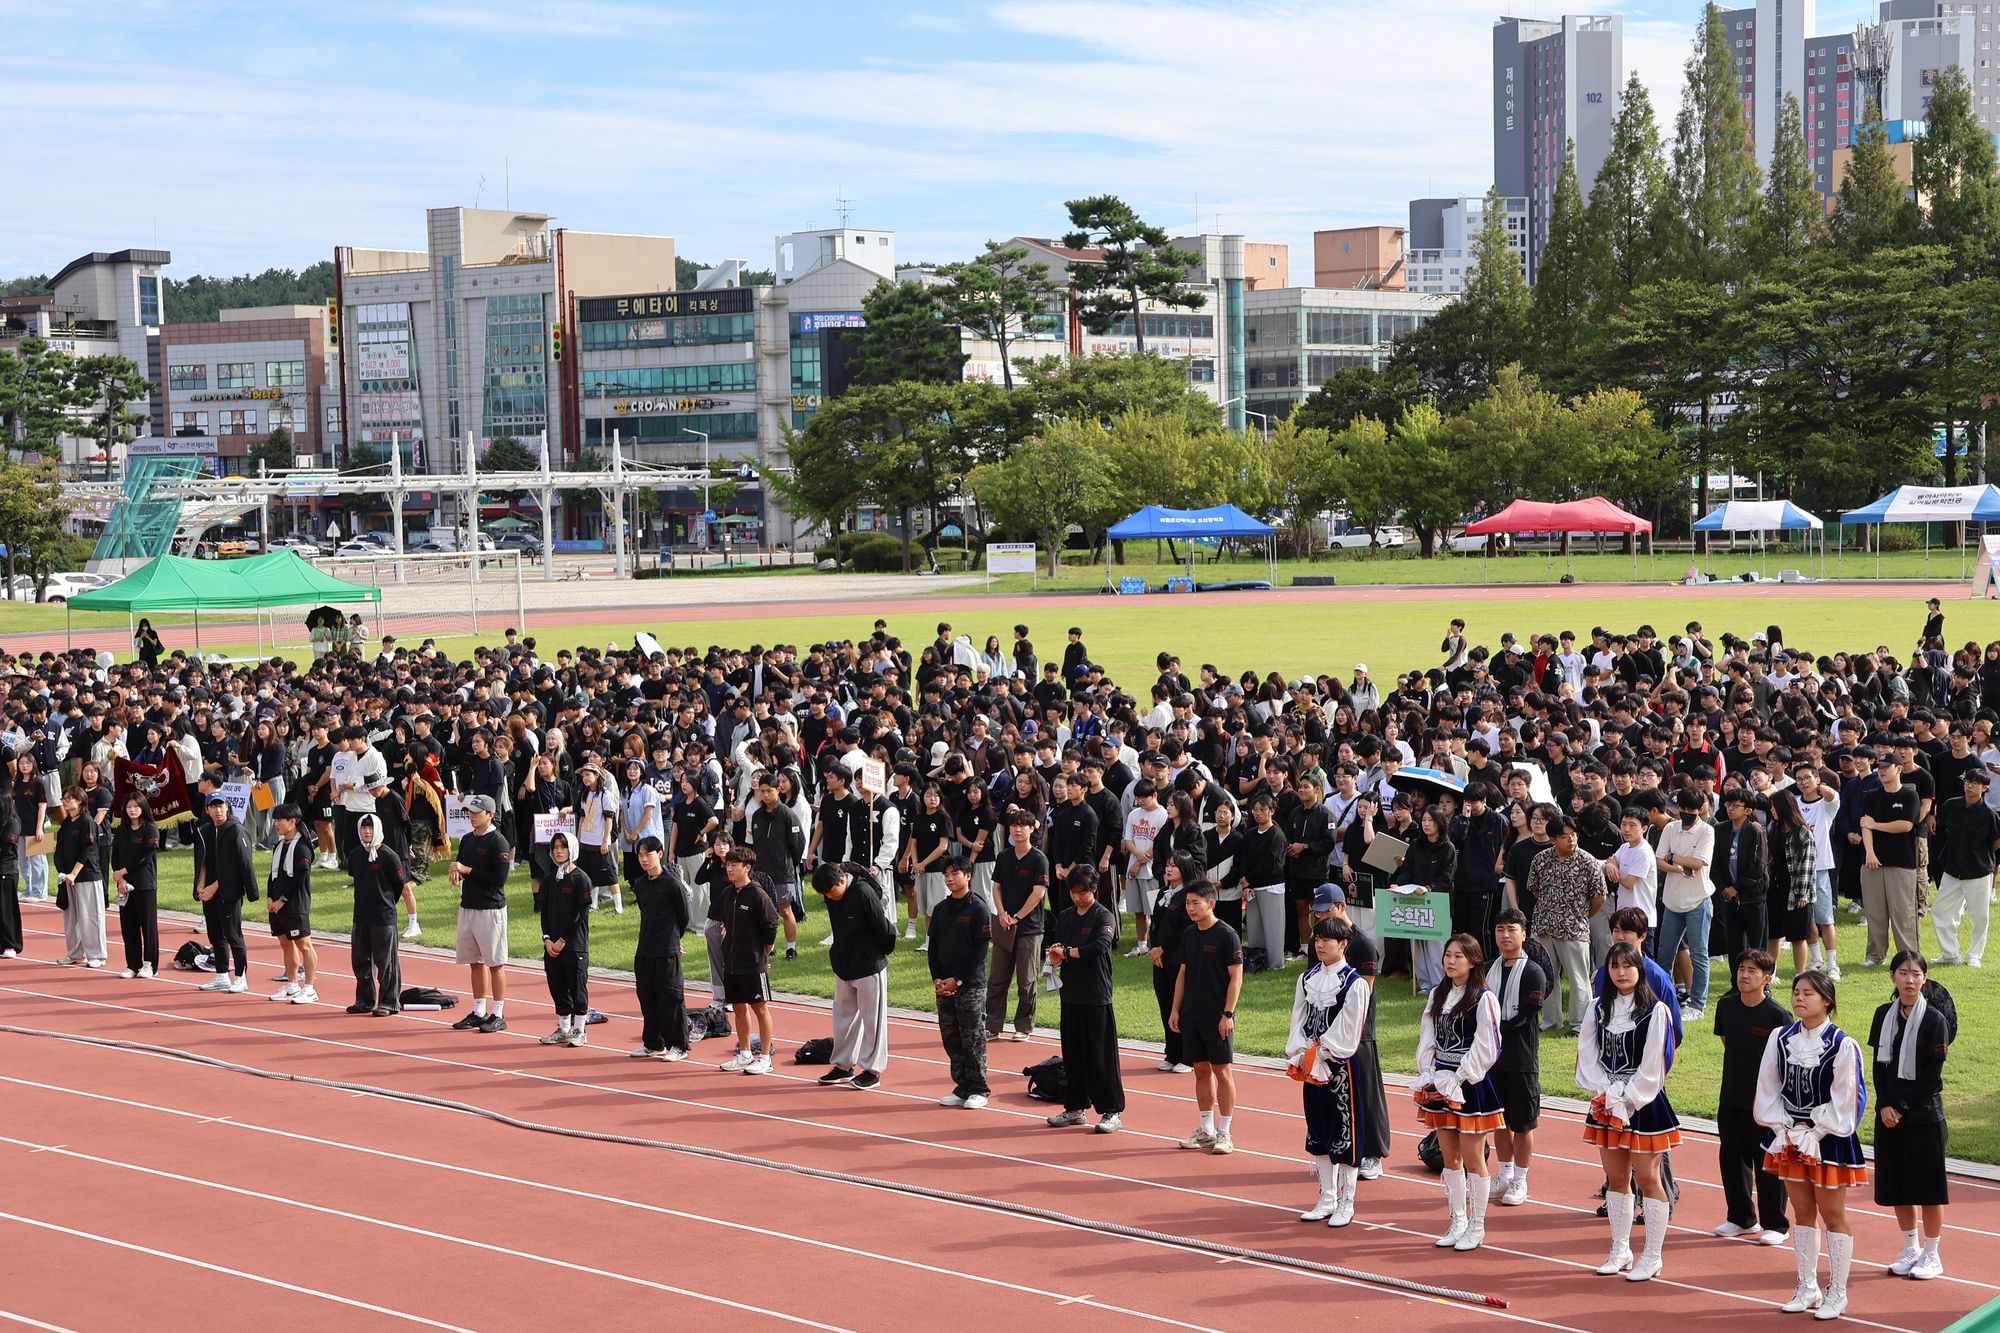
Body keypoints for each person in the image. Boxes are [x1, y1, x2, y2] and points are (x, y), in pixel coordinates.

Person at [1755, 969, 1868, 1319]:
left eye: (1808, 993)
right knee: (1802, 1212)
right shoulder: (1779, 1037)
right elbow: (1768, 1086)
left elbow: (1848, 1098)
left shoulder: (1842, 1045)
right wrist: (1782, 1128)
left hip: (1828, 1141)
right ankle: (1807, 1287)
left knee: (1833, 1214)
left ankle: (1838, 1292)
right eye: (1796, 992)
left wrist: (1816, 1133)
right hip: (1789, 1136)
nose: (1799, 998)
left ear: (1827, 1000)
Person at [1578, 940, 1682, 1282]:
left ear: (1640, 970)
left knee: (1649, 1178)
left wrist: (1628, 1098)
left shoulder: (1656, 1011)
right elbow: (1588, 1057)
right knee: (1617, 1178)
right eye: (1614, 966)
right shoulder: (1596, 1008)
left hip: (1643, 1105)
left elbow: (1655, 1064)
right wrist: (1606, 1093)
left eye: (1628, 966)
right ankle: (1620, 1249)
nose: (1621, 973)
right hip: (1607, 1103)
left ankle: (1652, 1254)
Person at [1414, 932, 1504, 1251]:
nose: (1450, 962)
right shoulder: (1439, 993)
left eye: (1458, 956)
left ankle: (1478, 1226)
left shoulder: (1483, 997)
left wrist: (1460, 1077)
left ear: (1474, 961)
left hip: (1471, 1086)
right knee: (1449, 1157)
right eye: (1448, 955)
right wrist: (1429, 1072)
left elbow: (1488, 1045)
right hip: (1441, 1082)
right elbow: (1428, 1036)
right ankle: (1458, 1221)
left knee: (1472, 1156)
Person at [1869, 952, 1952, 1282]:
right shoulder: (1882, 1015)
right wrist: (1884, 1105)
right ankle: (1911, 1249)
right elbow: (1878, 1066)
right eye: (1902, 973)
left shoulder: (1934, 1021)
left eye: (1915, 973)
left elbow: (1932, 1075)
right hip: (1889, 1113)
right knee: (1899, 1185)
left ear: (1924, 979)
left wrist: (1901, 1107)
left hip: (1923, 1115)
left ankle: (1932, 1253)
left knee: (1928, 1189)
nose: (1909, 979)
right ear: (1893, 977)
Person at [1289, 915, 1372, 1226]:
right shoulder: (1307, 978)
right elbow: (1299, 1017)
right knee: (1319, 1131)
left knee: (1345, 1135)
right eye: (1317, 938)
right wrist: (1300, 1052)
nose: (1320, 944)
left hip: (1340, 1067)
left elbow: (1349, 1030)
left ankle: (1347, 1202)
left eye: (1327, 939)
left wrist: (1321, 1051)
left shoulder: (1355, 983)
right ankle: (1326, 1198)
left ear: (1344, 944)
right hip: (1311, 1066)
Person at [1713, 948, 1792, 1245]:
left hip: (1767, 1103)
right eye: (1741, 969)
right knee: (1732, 1158)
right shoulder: (1726, 1006)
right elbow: (1727, 1042)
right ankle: (1741, 1218)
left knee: (1767, 1162)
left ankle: (1777, 1224)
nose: (1744, 975)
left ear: (1767, 978)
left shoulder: (1778, 1015)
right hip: (1731, 1096)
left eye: (1752, 971)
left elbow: (1786, 1061)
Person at [1045, 866, 1126, 1133]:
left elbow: (1099, 947)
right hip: (1071, 993)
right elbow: (1059, 945)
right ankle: (1075, 1107)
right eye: (1073, 892)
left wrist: (1066, 953)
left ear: (1094, 889)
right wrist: (1055, 954)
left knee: (1100, 1056)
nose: (1077, 897)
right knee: (1073, 1055)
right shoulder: (1066, 916)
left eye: (1082, 892)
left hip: (1096, 995)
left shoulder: (1104, 915)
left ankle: (1111, 1110)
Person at [1169, 879, 1244, 1154]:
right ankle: (1206, 1130)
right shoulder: (1189, 934)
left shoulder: (1227, 935)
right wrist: (1176, 1010)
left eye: (1195, 903)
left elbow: (1236, 977)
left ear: (1210, 903)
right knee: (1200, 1070)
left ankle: (1225, 1132)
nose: (1190, 908)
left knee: (1222, 1071)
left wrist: (1228, 1013)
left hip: (1217, 1017)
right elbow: (1183, 973)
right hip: (1192, 1015)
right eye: (1188, 903)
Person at [812, 858, 896, 1090]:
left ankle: (872, 1070)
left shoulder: (864, 893)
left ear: (842, 880)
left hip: (869, 965)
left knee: (873, 1020)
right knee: (843, 1017)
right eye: (824, 894)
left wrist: (876, 954)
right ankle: (843, 1065)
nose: (829, 897)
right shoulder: (831, 894)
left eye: (830, 891)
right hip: (843, 963)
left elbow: (883, 929)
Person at [1487, 906, 1546, 1207]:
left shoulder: (1533, 972)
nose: (1506, 935)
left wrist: (1492, 1031)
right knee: (1498, 1122)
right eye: (1500, 929)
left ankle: (1520, 1180)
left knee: (1522, 1124)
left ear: (1524, 934)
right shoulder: (1489, 968)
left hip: (1520, 1060)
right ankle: (1504, 1175)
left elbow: (1525, 1016)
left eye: (1512, 929)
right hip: (1491, 1061)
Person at [1526, 815, 1606, 1035]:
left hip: (1574, 929)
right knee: (1547, 977)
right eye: (1564, 836)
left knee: (1578, 977)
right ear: (1553, 839)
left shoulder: (1587, 861)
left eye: (1574, 835)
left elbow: (1599, 896)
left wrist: (1581, 915)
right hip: (1544, 927)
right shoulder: (1541, 859)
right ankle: (1551, 1021)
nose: (1571, 840)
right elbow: (1535, 888)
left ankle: (1580, 1024)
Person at [929, 853, 993, 1109]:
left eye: (955, 874)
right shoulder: (941, 909)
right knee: (951, 1037)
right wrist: (937, 978)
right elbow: (933, 948)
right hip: (944, 985)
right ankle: (962, 1086)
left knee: (973, 1037)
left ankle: (979, 1088)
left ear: (968, 876)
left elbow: (980, 951)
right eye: (946, 875)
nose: (950, 879)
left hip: (970, 986)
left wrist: (958, 979)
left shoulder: (978, 908)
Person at [447, 794, 513, 1033]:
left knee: (495, 963)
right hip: (468, 906)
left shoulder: (499, 842)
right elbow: (462, 866)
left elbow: (499, 879)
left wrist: (467, 869)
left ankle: (498, 1013)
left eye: (477, 812)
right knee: (474, 962)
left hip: (490, 909)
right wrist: (456, 871)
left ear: (490, 815)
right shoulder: (466, 840)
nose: (472, 816)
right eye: (470, 813)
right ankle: (478, 1011)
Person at [1655, 788, 1717, 1020]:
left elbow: (1699, 863)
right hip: (1672, 901)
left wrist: (1673, 858)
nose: (1687, 813)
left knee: (1699, 954)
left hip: (1698, 901)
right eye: (1683, 809)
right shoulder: (1671, 828)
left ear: (1700, 808)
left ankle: (1697, 1005)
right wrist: (1677, 866)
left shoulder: (1707, 831)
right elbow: (1660, 859)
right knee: (1665, 954)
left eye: (1692, 810)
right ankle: (1662, 1000)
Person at [988, 809, 1049, 1043]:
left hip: (1030, 928)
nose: (1017, 829)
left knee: (1026, 980)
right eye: (1014, 825)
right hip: (1004, 925)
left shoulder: (1038, 859)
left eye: (1022, 826)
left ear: (1032, 829)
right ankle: (992, 1025)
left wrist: (1017, 917)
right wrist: (1002, 913)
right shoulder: (1004, 857)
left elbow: (1038, 893)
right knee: (996, 979)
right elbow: (996, 887)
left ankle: (1024, 1025)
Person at [718, 847, 780, 1074]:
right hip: (732, 963)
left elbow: (771, 927)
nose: (730, 868)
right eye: (728, 864)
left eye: (735, 864)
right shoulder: (727, 894)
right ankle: (744, 1053)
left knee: (760, 1008)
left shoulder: (758, 895)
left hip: (753, 964)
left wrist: (762, 953)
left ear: (748, 867)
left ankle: (765, 1057)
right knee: (738, 1007)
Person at [1929, 769, 1999, 968]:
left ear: (1985, 788)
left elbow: (1995, 843)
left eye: (1975, 783)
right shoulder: (1950, 806)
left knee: (1980, 916)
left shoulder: (1989, 815)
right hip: (1952, 869)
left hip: (1979, 871)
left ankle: (1975, 955)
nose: (1970, 786)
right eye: (1968, 781)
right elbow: (1944, 831)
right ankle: (1950, 954)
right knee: (1941, 910)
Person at [628, 835, 690, 1061]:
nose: (644, 859)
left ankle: (679, 1045)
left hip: (667, 950)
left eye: (648, 854)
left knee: (670, 998)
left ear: (660, 854)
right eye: (640, 855)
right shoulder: (640, 884)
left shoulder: (672, 883)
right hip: (644, 949)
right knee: (647, 997)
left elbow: (684, 916)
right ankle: (653, 1043)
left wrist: (674, 939)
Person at [1860, 754, 1922, 965]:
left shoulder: (1909, 795)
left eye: (1887, 767)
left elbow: (1905, 825)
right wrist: (1869, 851)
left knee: (1902, 914)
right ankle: (1875, 955)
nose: (1882, 770)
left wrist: (1875, 825)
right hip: (1872, 862)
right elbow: (1864, 824)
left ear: (1898, 769)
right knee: (1874, 912)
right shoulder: (1870, 796)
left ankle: (1909, 957)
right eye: (1880, 767)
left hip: (1901, 863)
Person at [193, 790, 254, 992]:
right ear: (207, 810)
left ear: (227, 807)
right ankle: (221, 974)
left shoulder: (236, 830)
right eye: (213, 806)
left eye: (221, 806)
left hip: (229, 891)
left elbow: (239, 865)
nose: (218, 810)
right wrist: (200, 886)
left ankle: (240, 976)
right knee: (215, 934)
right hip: (209, 893)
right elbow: (202, 862)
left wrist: (214, 886)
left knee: (233, 935)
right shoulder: (205, 831)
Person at [345, 813, 404, 1016]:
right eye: (363, 827)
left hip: (383, 918)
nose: (366, 831)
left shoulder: (389, 856)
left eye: (370, 828)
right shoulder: (355, 855)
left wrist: (386, 905)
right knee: (360, 961)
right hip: (361, 916)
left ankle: (389, 1002)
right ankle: (365, 1000)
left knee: (385, 962)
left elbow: (398, 886)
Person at [538, 831, 592, 1047]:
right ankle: (563, 1029)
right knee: (557, 986)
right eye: (555, 848)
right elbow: (544, 911)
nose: (559, 851)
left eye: (563, 847)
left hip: (574, 946)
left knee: (577, 987)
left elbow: (580, 915)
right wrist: (547, 939)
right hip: (552, 946)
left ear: (572, 849)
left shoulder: (581, 879)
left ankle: (580, 1030)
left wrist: (562, 940)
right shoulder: (550, 879)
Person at [264, 803, 317, 1004]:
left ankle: (310, 988)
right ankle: (292, 985)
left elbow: (299, 878)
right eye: (275, 820)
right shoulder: (279, 845)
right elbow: (272, 875)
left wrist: (282, 900)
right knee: (285, 944)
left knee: (304, 944)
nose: (276, 824)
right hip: (276, 905)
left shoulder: (302, 847)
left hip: (295, 906)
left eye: (280, 820)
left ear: (292, 822)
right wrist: (270, 897)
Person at [1149, 851, 1197, 1074]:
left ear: (1185, 869)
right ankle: (1172, 1052)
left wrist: (1163, 948)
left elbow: (1183, 929)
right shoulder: (1162, 891)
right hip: (1160, 959)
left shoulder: (1189, 895)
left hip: (1178, 958)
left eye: (1174, 866)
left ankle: (1188, 1056)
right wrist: (1154, 950)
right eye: (1167, 865)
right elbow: (1155, 924)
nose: (1168, 870)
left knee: (1183, 1006)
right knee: (1165, 1004)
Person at [53, 787, 108, 969]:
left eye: (69, 798)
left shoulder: (87, 822)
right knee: (72, 919)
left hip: (86, 876)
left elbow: (88, 849)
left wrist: (74, 872)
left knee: (91, 916)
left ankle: (97, 955)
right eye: (64, 798)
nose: (65, 801)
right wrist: (62, 872)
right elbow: (59, 850)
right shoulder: (66, 824)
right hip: (68, 878)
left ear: (80, 801)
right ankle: (76, 954)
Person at [108, 792, 157, 978]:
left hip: (145, 884)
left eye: (136, 806)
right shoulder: (121, 831)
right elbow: (116, 857)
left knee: (148, 926)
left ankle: (149, 964)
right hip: (124, 885)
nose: (132, 810)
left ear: (143, 807)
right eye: (129, 807)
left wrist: (123, 872)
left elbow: (145, 858)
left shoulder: (151, 829)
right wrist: (120, 879)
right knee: (128, 926)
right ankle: (133, 964)